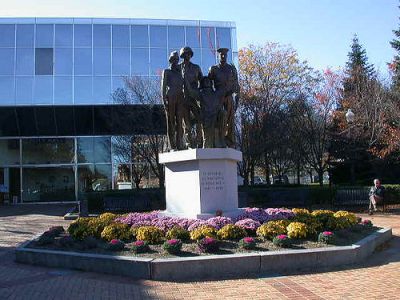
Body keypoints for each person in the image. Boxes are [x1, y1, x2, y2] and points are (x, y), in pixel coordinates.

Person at [208, 48, 240, 148]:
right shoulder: (213, 69)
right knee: (218, 119)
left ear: (227, 56)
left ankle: (229, 141)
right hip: (217, 97)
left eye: (225, 55)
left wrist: (237, 101)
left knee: (230, 120)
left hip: (229, 97)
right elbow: (208, 85)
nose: (223, 56)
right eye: (221, 55)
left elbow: (236, 85)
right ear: (218, 56)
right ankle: (218, 140)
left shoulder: (231, 69)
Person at [183, 75, 226, 148]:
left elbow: (226, 89)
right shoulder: (201, 93)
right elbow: (190, 91)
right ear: (202, 84)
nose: (207, 82)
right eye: (205, 81)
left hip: (216, 115)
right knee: (208, 141)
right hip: (206, 117)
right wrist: (185, 79)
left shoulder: (216, 93)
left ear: (211, 83)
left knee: (223, 113)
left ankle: (221, 140)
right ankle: (209, 145)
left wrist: (232, 76)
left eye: (208, 81)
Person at [178, 46, 203, 148]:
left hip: (194, 98)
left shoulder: (196, 68)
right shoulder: (178, 68)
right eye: (185, 54)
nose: (187, 56)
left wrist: (199, 95)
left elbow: (202, 83)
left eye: (189, 54)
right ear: (182, 55)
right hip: (183, 99)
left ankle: (199, 142)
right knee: (186, 124)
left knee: (199, 120)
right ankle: (189, 144)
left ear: (191, 55)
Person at [161, 51, 185, 150]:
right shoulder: (167, 71)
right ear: (170, 60)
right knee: (171, 122)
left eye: (176, 59)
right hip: (170, 97)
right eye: (173, 59)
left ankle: (179, 144)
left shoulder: (180, 73)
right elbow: (163, 86)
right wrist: (164, 100)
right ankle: (172, 145)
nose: (175, 61)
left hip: (180, 98)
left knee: (180, 122)